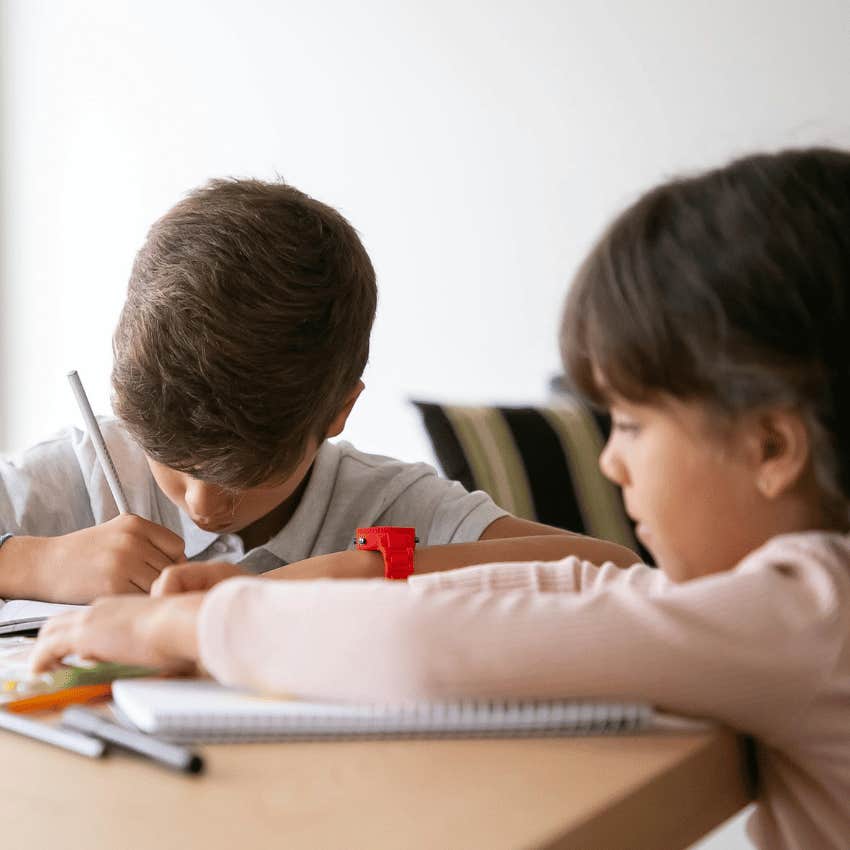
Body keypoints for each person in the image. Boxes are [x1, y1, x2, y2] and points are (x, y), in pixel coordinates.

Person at [33, 148, 850, 848]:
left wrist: (185, 625)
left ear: (773, 447)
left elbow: (425, 649)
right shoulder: (798, 607)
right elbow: (591, 584)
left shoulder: (815, 608)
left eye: (631, 425)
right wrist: (339, 576)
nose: (610, 464)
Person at [0, 179, 634, 605]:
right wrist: (31, 565)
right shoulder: (88, 470)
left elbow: (615, 573)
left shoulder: (386, 516)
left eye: (249, 474)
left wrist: (336, 576)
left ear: (339, 411)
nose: (206, 507)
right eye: (178, 464)